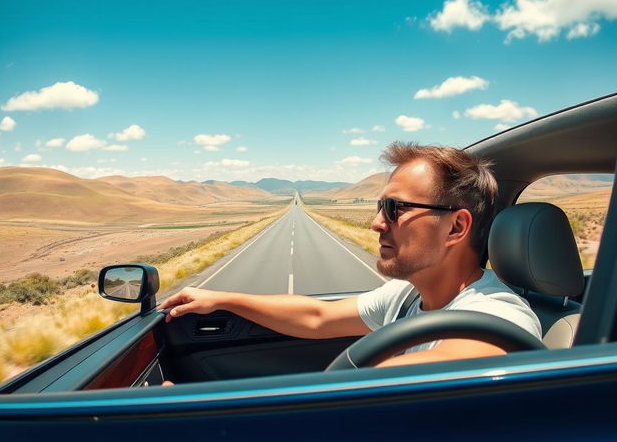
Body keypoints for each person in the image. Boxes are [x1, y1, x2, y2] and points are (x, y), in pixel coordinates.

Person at [160, 143, 541, 368]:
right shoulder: (408, 297)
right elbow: (318, 317)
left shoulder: (498, 317)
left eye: (396, 209)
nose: (377, 223)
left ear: (456, 228)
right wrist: (223, 298)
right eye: (380, 207)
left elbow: (449, 367)